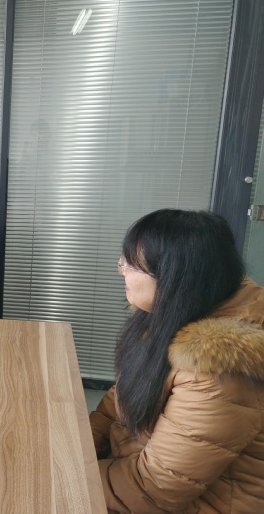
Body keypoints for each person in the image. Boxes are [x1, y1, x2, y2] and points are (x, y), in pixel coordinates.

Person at [89, 209, 264, 513]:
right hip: (137, 473)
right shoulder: (175, 309)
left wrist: (66, 473)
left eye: (131, 265)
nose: (121, 271)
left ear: (173, 277)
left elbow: (155, 489)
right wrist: (75, 447)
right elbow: (121, 399)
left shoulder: (219, 370)